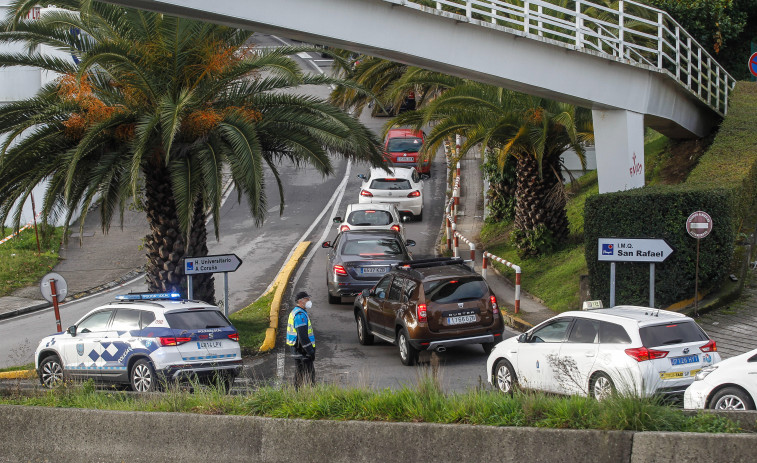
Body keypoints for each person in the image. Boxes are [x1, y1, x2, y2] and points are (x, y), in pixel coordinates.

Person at [286, 290, 316, 388]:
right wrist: (310, 351)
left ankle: (298, 394)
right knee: (310, 375)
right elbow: (303, 336)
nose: (309, 301)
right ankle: (310, 395)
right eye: (307, 299)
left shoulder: (296, 312)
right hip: (302, 350)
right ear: (300, 301)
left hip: (297, 349)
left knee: (300, 373)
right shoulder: (300, 315)